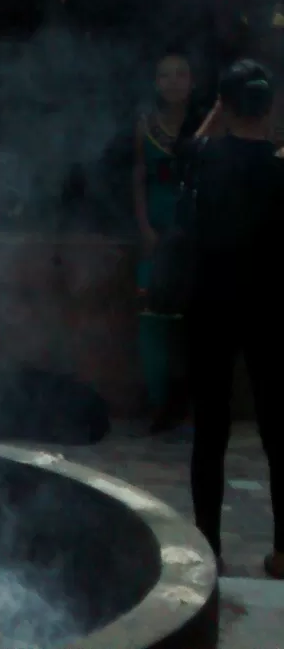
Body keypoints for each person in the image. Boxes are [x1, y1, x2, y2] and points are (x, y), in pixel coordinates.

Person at [186, 59, 284, 577]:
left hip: (211, 305)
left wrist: (215, 115)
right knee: (279, 431)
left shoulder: (205, 157)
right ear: (269, 108)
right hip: (271, 309)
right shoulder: (279, 167)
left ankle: (210, 550)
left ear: (223, 107)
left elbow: (186, 152)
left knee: (211, 431)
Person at [133, 51, 204, 430]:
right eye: (166, 75)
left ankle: (186, 405)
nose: (174, 81)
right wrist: (145, 228)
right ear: (156, 83)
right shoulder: (145, 125)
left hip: (194, 232)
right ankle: (159, 404)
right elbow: (139, 179)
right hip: (157, 233)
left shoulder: (207, 126)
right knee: (152, 320)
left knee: (191, 323)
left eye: (181, 74)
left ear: (192, 82)